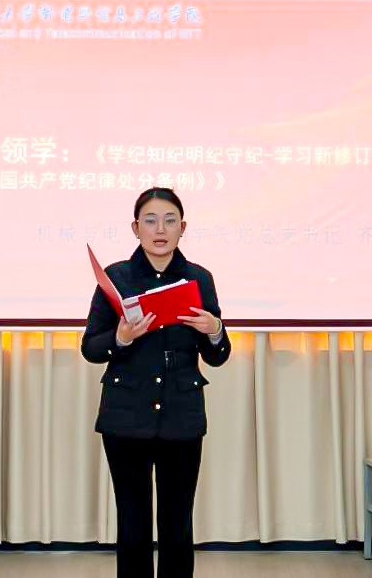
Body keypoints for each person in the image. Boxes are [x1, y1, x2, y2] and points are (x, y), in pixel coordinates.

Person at [81, 188, 231, 578]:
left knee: (177, 523)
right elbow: (90, 347)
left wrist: (214, 329)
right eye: (150, 220)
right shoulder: (117, 277)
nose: (160, 230)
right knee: (132, 522)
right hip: (125, 416)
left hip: (181, 415)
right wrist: (120, 338)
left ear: (183, 227)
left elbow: (217, 355)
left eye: (169, 221)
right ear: (135, 228)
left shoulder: (199, 278)